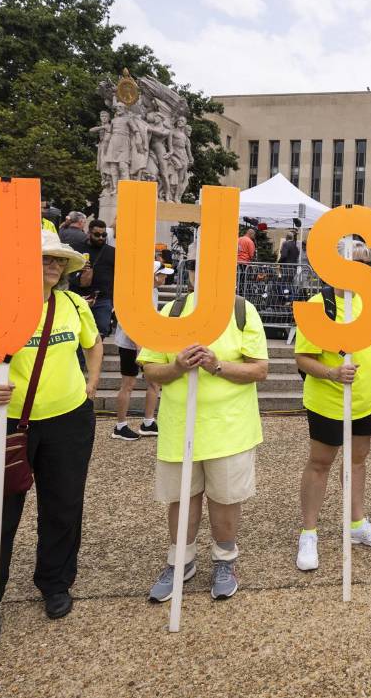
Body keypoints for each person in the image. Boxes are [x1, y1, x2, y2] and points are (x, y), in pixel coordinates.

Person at [0, 230, 101, 644]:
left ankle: (54, 582)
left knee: (64, 506)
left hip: (68, 420)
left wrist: (92, 383)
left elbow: (94, 343)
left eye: (58, 261)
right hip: (1, 422)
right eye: (43, 259)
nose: (53, 266)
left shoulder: (72, 305)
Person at [138, 291, 269, 601]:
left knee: (225, 499)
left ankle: (224, 561)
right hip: (179, 428)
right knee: (181, 499)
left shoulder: (242, 310)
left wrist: (216, 365)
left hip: (229, 428)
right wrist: (178, 367)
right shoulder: (172, 310)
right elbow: (150, 368)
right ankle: (179, 562)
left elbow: (260, 370)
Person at [294, 240, 371, 571]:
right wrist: (332, 373)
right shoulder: (318, 304)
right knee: (320, 462)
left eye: (365, 261)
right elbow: (303, 358)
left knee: (358, 461)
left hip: (365, 400)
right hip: (328, 400)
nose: (360, 268)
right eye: (352, 261)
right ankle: (309, 532)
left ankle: (356, 524)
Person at [110, 261, 173, 441]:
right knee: (128, 385)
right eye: (161, 274)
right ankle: (120, 426)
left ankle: (148, 422)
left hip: (147, 344)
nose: (164, 277)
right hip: (131, 345)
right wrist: (139, 348)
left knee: (154, 383)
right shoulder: (135, 293)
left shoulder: (154, 291)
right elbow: (129, 323)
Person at [73, 219, 115, 336]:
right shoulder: (76, 249)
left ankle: (97, 354)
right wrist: (78, 268)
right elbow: (66, 272)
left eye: (104, 235)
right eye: (97, 235)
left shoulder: (112, 252)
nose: (101, 237)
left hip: (102, 299)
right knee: (77, 330)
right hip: (79, 297)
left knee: (101, 330)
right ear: (89, 233)